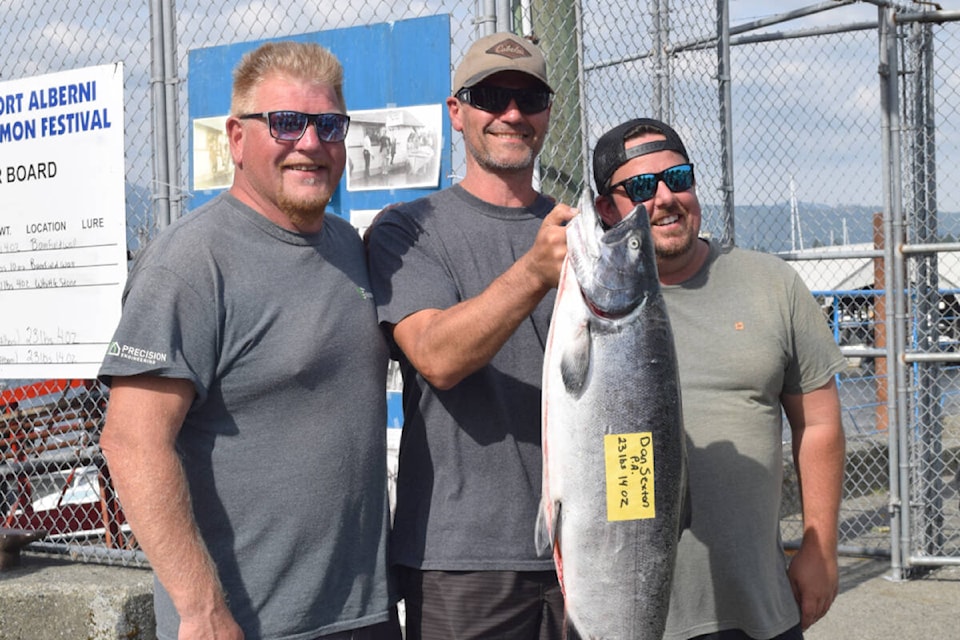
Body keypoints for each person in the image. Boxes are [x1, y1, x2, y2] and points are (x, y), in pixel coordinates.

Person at [98, 41, 399, 640]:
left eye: (328, 124)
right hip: (247, 622)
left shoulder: (349, 249)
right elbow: (131, 442)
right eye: (286, 123)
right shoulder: (189, 264)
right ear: (236, 139)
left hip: (363, 614)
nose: (310, 143)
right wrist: (200, 609)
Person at [591, 118, 847, 640]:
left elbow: (818, 422)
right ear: (605, 210)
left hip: (758, 610)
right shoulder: (584, 307)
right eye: (641, 187)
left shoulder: (771, 283)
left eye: (678, 178)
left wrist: (820, 547)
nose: (664, 198)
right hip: (630, 613)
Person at [365, 32, 576, 639]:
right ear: (457, 112)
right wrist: (535, 270)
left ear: (546, 113)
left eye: (529, 97)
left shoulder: (582, 233)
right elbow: (437, 355)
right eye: (490, 96)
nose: (511, 113)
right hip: (460, 559)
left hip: (586, 547)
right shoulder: (409, 229)